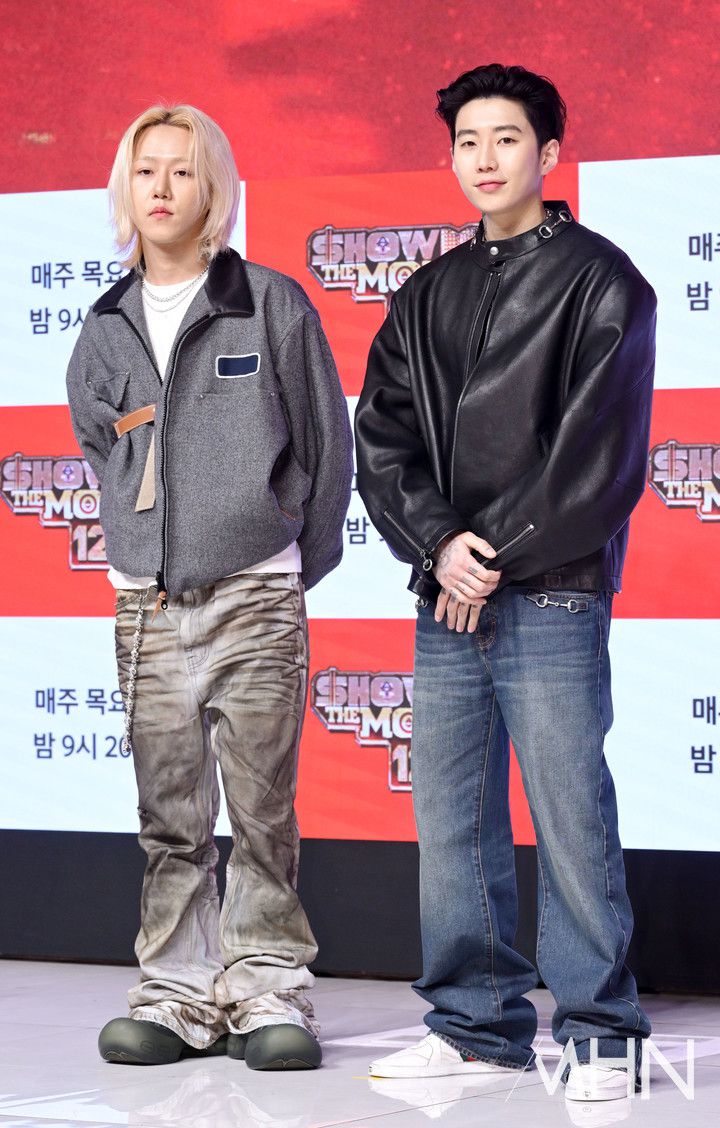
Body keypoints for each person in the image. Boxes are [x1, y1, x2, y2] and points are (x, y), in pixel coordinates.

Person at [354, 64, 655, 1102]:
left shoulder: (604, 282)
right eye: (467, 141)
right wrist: (441, 544)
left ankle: (602, 1031)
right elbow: (382, 437)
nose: (484, 159)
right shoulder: (425, 293)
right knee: (452, 821)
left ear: (549, 153)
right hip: (446, 593)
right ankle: (476, 1029)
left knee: (570, 813)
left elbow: (599, 460)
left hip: (553, 586)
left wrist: (490, 554)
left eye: (507, 139)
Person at [66, 104, 352, 1071]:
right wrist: (139, 545)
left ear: (214, 189)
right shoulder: (104, 326)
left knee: (263, 811)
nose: (160, 187)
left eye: (182, 170)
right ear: (125, 187)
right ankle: (178, 994)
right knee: (170, 818)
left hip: (256, 598)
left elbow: (325, 448)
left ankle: (269, 990)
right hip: (146, 607)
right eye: (145, 169)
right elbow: (102, 445)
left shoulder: (270, 303)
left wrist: (285, 561)